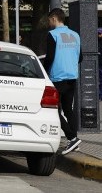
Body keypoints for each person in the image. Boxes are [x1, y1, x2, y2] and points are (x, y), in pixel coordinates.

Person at [44, 8, 82, 155]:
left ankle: (71, 137)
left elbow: (50, 57)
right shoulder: (75, 35)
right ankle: (75, 142)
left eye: (49, 20)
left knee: (53, 110)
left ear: (54, 18)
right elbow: (80, 58)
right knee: (68, 109)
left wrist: (44, 71)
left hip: (57, 77)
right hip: (72, 77)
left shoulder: (53, 35)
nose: (49, 23)